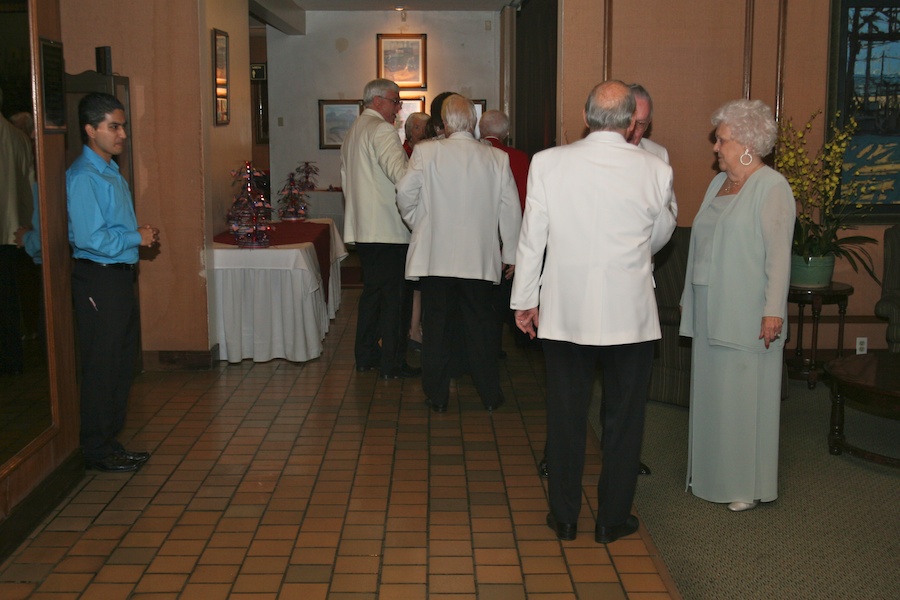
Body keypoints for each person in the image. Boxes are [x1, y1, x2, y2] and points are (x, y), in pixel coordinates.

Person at [510, 81, 675, 543]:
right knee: (624, 420)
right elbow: (660, 235)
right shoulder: (655, 168)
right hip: (631, 314)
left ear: (586, 118)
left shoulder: (548, 163)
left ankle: (564, 516)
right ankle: (611, 520)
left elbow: (532, 239)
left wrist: (525, 301)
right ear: (629, 122)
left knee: (565, 415)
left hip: (565, 311)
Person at [679, 99, 795, 512]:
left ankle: (747, 484)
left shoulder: (772, 187)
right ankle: (709, 475)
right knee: (714, 395)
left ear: (746, 142)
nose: (716, 147)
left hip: (747, 308)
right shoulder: (719, 184)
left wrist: (773, 310)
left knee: (744, 399)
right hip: (711, 302)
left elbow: (779, 255)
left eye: (722, 140)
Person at [397, 94, 521, 413]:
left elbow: (404, 195)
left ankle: (437, 396)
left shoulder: (426, 153)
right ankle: (489, 393)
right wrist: (511, 253)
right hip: (479, 259)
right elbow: (510, 210)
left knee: (436, 328)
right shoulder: (496, 159)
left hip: (435, 257)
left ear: (445, 123)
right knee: (482, 329)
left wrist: (421, 222)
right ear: (473, 122)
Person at [68, 92, 159, 472]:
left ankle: (108, 440)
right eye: (114, 127)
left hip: (118, 279)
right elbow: (90, 238)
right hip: (99, 280)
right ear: (90, 130)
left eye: (123, 126)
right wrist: (136, 238)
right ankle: (95, 449)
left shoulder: (110, 170)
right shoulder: (84, 177)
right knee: (103, 366)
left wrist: (136, 237)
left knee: (120, 363)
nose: (122, 134)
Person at [341, 79, 419, 379]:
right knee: (396, 300)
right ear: (377, 101)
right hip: (389, 230)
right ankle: (393, 363)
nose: (398, 108)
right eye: (395, 101)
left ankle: (366, 355)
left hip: (364, 230)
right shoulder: (382, 130)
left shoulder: (353, 132)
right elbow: (403, 178)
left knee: (372, 295)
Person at [0, 86, 35, 376]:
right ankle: (13, 358)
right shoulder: (19, 137)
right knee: (10, 296)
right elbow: (30, 187)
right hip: (14, 230)